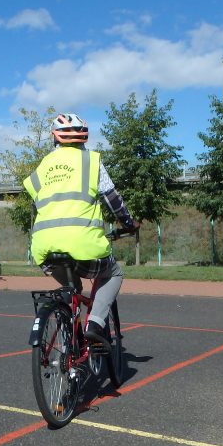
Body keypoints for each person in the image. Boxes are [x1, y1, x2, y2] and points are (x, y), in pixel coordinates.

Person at [23, 112, 138, 348]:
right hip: (83, 245)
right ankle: (95, 324)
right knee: (113, 273)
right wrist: (128, 222)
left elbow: (39, 202)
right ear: (83, 138)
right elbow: (112, 199)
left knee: (71, 289)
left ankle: (69, 342)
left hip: (44, 249)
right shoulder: (91, 161)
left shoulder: (43, 166)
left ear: (54, 137)